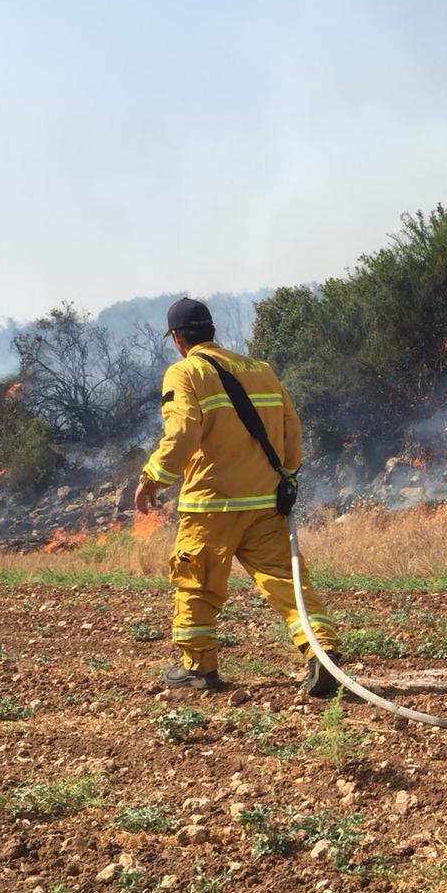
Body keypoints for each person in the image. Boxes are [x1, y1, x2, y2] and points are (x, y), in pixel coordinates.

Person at [134, 297, 342, 695]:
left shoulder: (185, 373)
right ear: (213, 332)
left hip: (211, 505)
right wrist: (286, 476)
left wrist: (154, 477)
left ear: (178, 339)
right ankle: (324, 655)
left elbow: (182, 432)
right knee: (286, 581)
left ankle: (199, 670)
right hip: (265, 502)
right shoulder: (261, 370)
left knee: (197, 584)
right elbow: (291, 428)